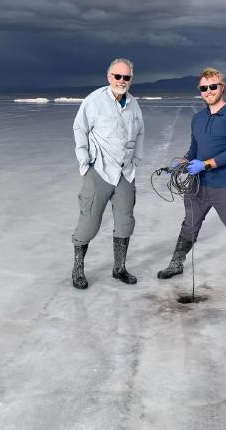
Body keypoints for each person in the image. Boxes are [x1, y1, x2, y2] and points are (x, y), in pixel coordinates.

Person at [157, 67, 226, 306]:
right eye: (203, 88)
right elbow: (194, 149)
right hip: (198, 185)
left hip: (225, 186)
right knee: (189, 225)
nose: (208, 91)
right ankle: (176, 264)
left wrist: (206, 165)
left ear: (223, 87)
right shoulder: (198, 118)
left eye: (213, 86)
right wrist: (185, 161)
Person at [71, 58, 144, 289]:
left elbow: (140, 132)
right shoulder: (94, 101)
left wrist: (136, 161)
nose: (122, 81)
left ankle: (119, 268)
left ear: (131, 79)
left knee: (125, 222)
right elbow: (79, 129)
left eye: (126, 77)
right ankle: (78, 269)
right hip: (99, 171)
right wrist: (85, 164)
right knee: (89, 223)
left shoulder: (133, 104)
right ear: (109, 76)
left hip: (125, 173)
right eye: (117, 76)